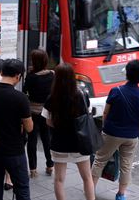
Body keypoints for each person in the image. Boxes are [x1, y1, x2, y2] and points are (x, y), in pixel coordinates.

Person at [92, 59, 139, 200]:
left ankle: (91, 191)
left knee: (99, 160)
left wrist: (104, 127)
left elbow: (105, 113)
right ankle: (121, 194)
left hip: (111, 133)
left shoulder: (116, 91)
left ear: (126, 73)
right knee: (126, 166)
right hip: (131, 136)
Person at [40, 63, 95, 200]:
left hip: (59, 144)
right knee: (87, 178)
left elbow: (48, 121)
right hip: (79, 143)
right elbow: (86, 114)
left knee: (59, 179)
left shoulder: (52, 98)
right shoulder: (80, 95)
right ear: (72, 77)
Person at [0, 58, 33, 200]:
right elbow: (29, 127)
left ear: (1, 72)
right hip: (14, 151)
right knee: (22, 187)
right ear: (18, 76)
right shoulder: (21, 98)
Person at [23, 49, 55, 177]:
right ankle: (49, 165)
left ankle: (33, 169)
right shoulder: (52, 75)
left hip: (33, 111)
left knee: (32, 139)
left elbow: (25, 91)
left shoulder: (31, 77)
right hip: (46, 111)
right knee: (46, 137)